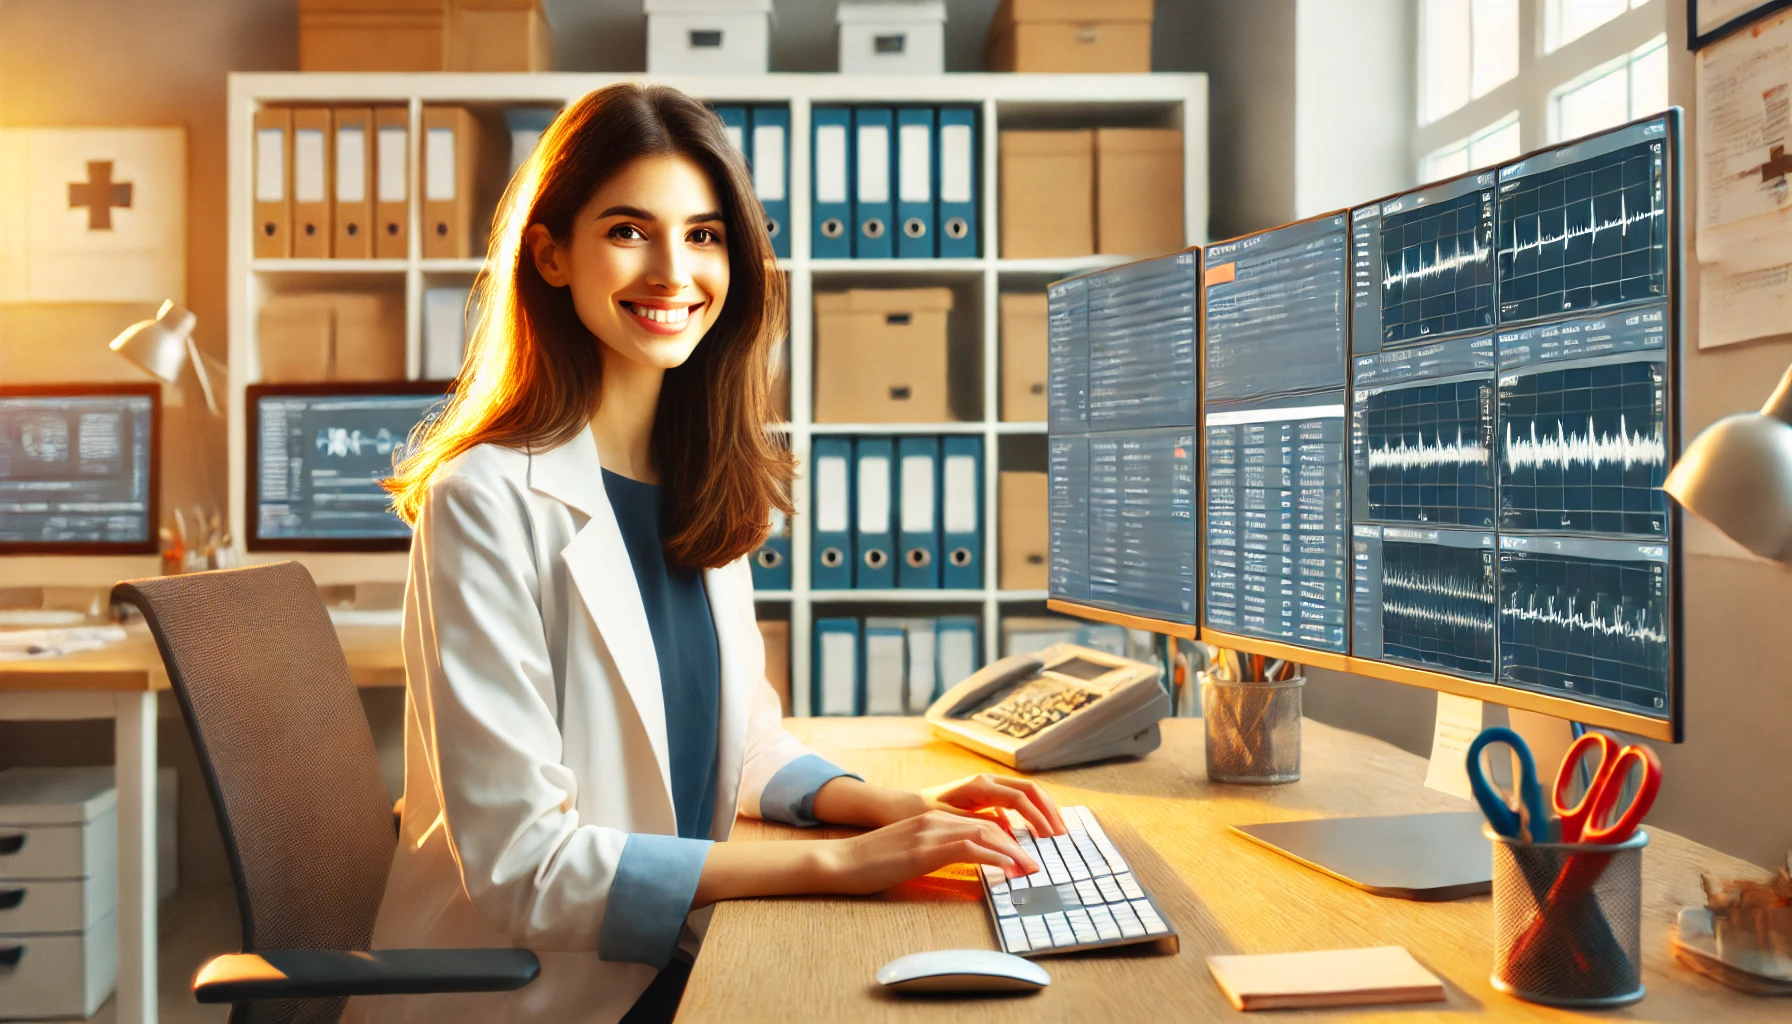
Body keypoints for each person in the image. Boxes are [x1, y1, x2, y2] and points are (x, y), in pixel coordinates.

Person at [350, 83, 1065, 1024]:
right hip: (542, 988)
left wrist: (888, 808)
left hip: (682, 950)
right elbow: (527, 868)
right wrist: (837, 864)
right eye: (628, 230)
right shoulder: (483, 500)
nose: (672, 271)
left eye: (704, 234)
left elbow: (747, 741)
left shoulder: (699, 476)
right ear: (552, 253)